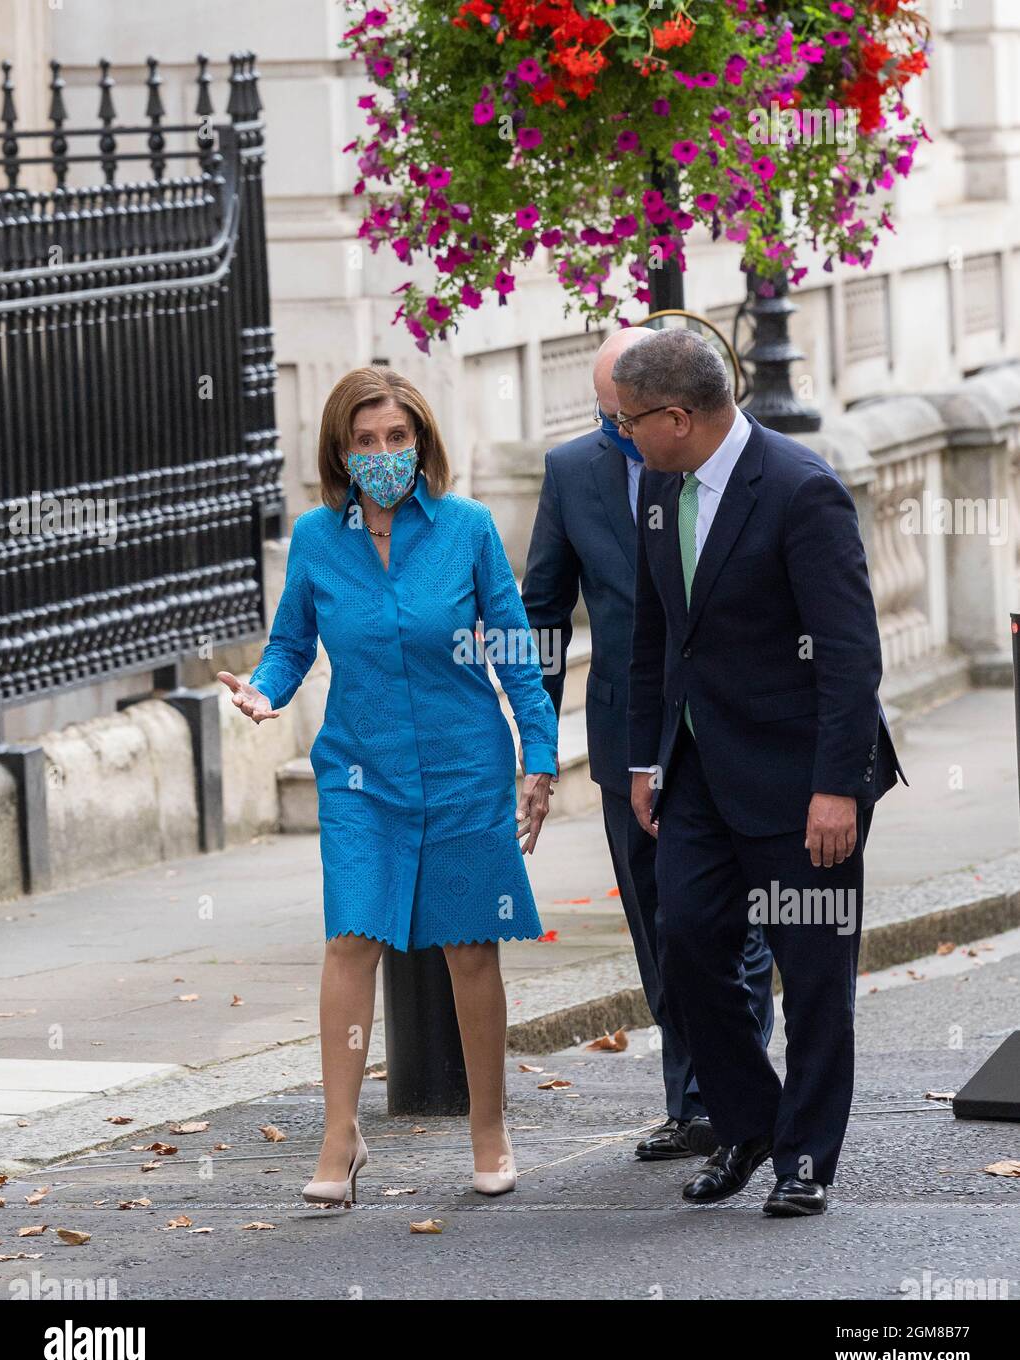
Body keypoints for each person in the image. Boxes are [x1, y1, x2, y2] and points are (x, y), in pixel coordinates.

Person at [219, 367, 558, 1207]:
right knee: (351, 939)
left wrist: (539, 757)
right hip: (360, 774)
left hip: (462, 766)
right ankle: (341, 1131)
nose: (382, 454)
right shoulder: (315, 539)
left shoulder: (468, 529)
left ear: (421, 442)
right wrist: (266, 691)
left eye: (396, 438)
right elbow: (292, 643)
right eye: (364, 441)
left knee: (470, 946)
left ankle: (489, 1125)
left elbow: (515, 648)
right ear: (341, 450)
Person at [618, 329, 907, 1217]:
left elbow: (852, 655)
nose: (621, 435)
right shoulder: (662, 496)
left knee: (814, 975)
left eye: (630, 421)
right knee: (689, 946)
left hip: (801, 779)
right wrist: (643, 758)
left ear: (676, 417)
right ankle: (748, 1123)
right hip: (699, 773)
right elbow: (655, 637)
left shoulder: (799, 490)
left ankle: (806, 1157)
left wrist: (835, 787)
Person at [522, 327, 773, 1163]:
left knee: (734, 926)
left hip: (727, 732)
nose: (617, 434)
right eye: (605, 419)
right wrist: (535, 744)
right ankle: (692, 1098)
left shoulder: (728, 462)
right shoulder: (570, 474)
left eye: (626, 418)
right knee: (662, 929)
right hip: (628, 736)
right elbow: (546, 614)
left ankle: (727, 1099)